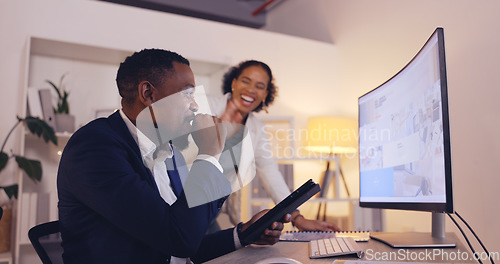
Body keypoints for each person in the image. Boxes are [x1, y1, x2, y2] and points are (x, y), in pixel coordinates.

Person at [57, 49, 290, 264]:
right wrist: (209, 154)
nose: (195, 105)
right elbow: (178, 240)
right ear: (148, 93)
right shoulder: (95, 148)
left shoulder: (169, 152)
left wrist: (244, 234)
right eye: (187, 94)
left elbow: (186, 240)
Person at [210, 60, 341, 232]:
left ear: (265, 94)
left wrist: (297, 218)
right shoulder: (206, 106)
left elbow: (270, 173)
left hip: (208, 212)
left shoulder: (256, 129)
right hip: (177, 204)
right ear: (234, 83)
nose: (250, 90)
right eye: (245, 81)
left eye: (259, 86)